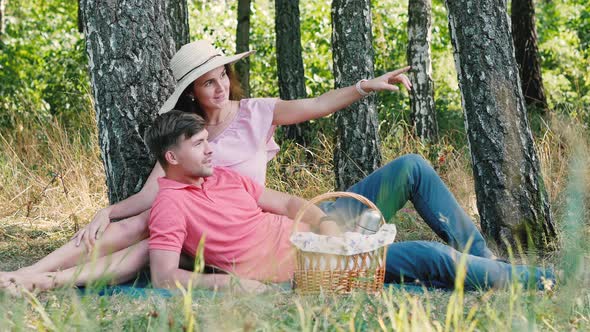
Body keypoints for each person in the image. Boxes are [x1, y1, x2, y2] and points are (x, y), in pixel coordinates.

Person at [0, 40, 513, 291]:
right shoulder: (188, 141)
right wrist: (105, 211)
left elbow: (315, 106)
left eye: (223, 75)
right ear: (193, 92)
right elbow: (151, 198)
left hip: (304, 214)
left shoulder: (257, 112)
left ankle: (486, 261)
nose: (220, 85)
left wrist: (363, 87)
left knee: (413, 167)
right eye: (208, 81)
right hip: (263, 244)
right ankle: (32, 275)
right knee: (134, 226)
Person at [145, 111, 554, 291]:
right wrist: (238, 288)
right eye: (200, 145)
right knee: (432, 257)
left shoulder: (222, 177)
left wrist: (324, 222)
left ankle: (489, 264)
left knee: (410, 167)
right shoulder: (171, 205)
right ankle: (542, 280)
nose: (210, 150)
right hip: (313, 265)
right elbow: (165, 277)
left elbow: (288, 203)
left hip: (321, 230)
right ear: (172, 157)